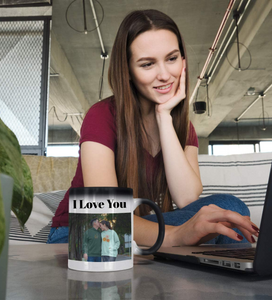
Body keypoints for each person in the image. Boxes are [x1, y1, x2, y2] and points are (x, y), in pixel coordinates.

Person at [47, 9, 259, 246]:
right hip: (81, 234)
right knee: (230, 209)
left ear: (183, 61)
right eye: (147, 64)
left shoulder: (181, 126)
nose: (165, 75)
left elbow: (187, 198)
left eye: (171, 58)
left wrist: (164, 117)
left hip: (135, 233)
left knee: (224, 217)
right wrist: (176, 236)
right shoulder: (102, 115)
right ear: (127, 71)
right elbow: (105, 215)